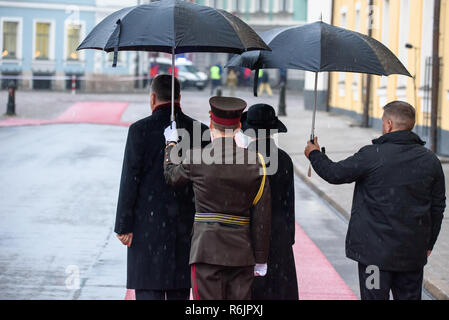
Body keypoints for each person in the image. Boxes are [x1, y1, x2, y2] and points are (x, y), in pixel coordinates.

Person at [304, 101, 446, 300]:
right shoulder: (430, 160)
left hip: (374, 258)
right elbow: (438, 206)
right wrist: (429, 243)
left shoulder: (371, 155)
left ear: (388, 124)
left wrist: (314, 154)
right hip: (411, 255)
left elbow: (335, 174)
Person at [163, 96, 272, 300]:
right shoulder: (256, 162)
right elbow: (262, 214)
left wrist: (171, 144)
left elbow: (171, 176)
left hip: (206, 250)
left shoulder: (196, 157)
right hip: (241, 252)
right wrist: (261, 258)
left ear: (211, 123)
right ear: (239, 125)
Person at [114, 74, 209, 300]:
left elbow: (130, 179)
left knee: (148, 291)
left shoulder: (139, 130)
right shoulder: (200, 131)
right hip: (186, 226)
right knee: (179, 292)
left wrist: (123, 225)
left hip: (147, 227)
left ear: (153, 98)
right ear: (180, 97)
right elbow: (205, 182)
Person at [241, 104, 299, 300]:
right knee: (279, 289)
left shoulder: (243, 158)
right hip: (279, 231)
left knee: (252, 292)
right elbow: (289, 201)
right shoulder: (284, 159)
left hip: (249, 233)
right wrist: (288, 235)